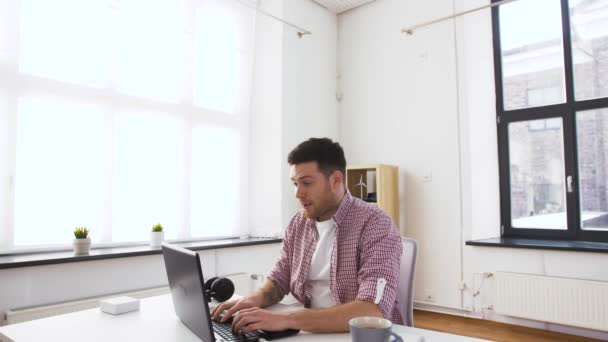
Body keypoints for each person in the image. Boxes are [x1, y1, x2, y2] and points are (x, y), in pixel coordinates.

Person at [211, 137, 403, 334]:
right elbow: (278, 280)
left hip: (362, 336)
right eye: (294, 183)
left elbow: (371, 310)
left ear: (336, 180)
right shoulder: (298, 224)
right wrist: (250, 300)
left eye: (306, 183)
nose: (297, 193)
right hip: (311, 332)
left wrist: (287, 319)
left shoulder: (376, 224)